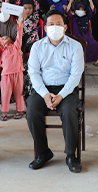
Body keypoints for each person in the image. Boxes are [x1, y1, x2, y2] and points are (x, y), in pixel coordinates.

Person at [26, 10, 84, 173]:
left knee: (68, 111)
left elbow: (75, 75)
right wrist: (45, 94)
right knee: (32, 110)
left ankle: (71, 155)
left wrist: (61, 96)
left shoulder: (75, 46)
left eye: (59, 24)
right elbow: (34, 73)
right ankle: (43, 152)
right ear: (45, 28)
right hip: (43, 89)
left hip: (67, 89)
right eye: (51, 24)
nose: (55, 27)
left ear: (65, 27)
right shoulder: (37, 47)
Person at [0, 14, 25, 121]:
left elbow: (19, 35)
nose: (4, 39)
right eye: (2, 38)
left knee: (19, 93)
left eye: (6, 37)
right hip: (6, 75)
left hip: (18, 73)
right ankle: (4, 112)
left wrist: (20, 24)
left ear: (11, 40)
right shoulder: (2, 50)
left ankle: (20, 110)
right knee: (5, 93)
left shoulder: (16, 46)